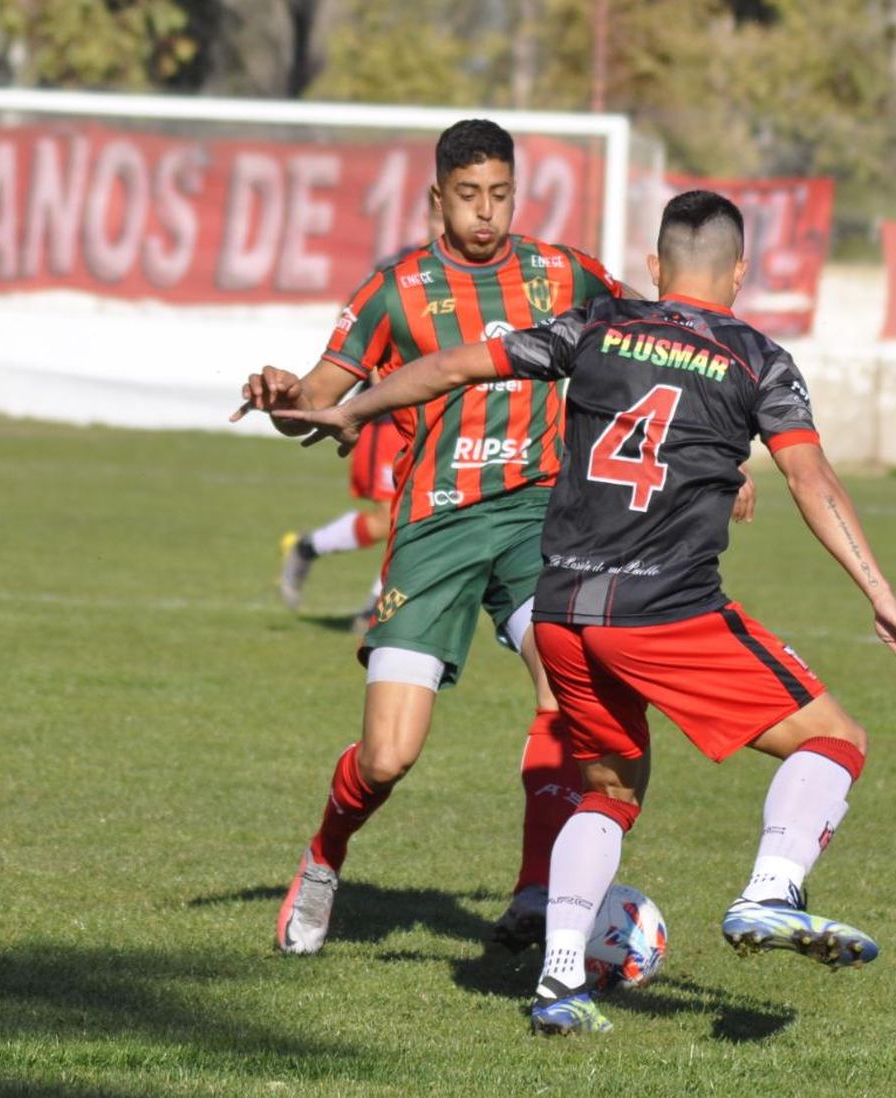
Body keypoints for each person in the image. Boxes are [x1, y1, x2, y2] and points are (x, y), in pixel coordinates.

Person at [272, 190, 896, 1036]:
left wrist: (353, 407)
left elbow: (459, 365)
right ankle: (772, 890)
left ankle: (561, 980)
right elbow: (812, 478)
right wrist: (879, 590)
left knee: (611, 789)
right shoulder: (756, 357)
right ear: (740, 272)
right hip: (665, 611)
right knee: (835, 738)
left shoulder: (598, 326)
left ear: (656, 268)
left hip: (564, 609)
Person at [232, 118, 630, 955]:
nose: (485, 213)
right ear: (436, 199)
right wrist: (279, 394)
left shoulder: (565, 273)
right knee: (387, 757)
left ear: (515, 194)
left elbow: (650, 349)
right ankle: (324, 857)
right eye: (467, 196)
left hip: (535, 520)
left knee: (566, 684)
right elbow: (317, 407)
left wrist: (720, 461)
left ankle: (533, 891)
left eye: (499, 194)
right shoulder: (396, 289)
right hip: (436, 526)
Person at [276, 194, 447, 621]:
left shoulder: (474, 279)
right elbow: (355, 330)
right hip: (387, 419)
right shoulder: (396, 273)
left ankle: (376, 604)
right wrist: (380, 386)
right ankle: (309, 549)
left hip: (442, 421)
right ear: (427, 217)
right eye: (438, 217)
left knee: (424, 515)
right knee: (391, 518)